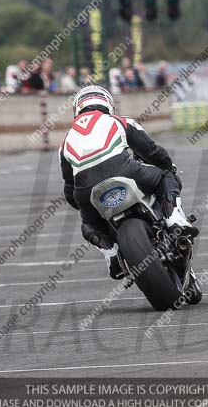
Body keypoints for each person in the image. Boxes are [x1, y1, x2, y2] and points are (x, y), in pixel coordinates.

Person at [58, 85, 197, 280]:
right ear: (108, 104)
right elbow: (152, 151)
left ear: (77, 109)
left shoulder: (65, 143)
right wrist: (168, 166)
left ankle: (111, 253)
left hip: (87, 191)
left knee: (88, 225)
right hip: (126, 171)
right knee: (165, 176)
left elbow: (69, 190)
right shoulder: (119, 121)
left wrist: (86, 208)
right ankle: (175, 218)